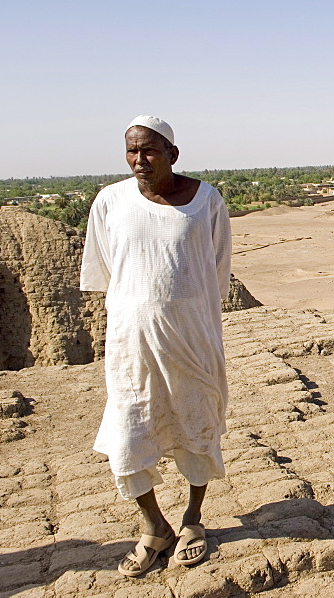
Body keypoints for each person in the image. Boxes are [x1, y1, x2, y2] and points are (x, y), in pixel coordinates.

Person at [80, 115, 232, 577]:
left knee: (197, 425)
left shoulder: (206, 201)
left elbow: (217, 270)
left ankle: (192, 520)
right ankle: (154, 527)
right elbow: (105, 271)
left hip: (192, 339)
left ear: (172, 154)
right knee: (129, 432)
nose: (139, 159)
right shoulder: (109, 202)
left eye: (148, 150)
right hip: (132, 345)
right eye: (131, 151)